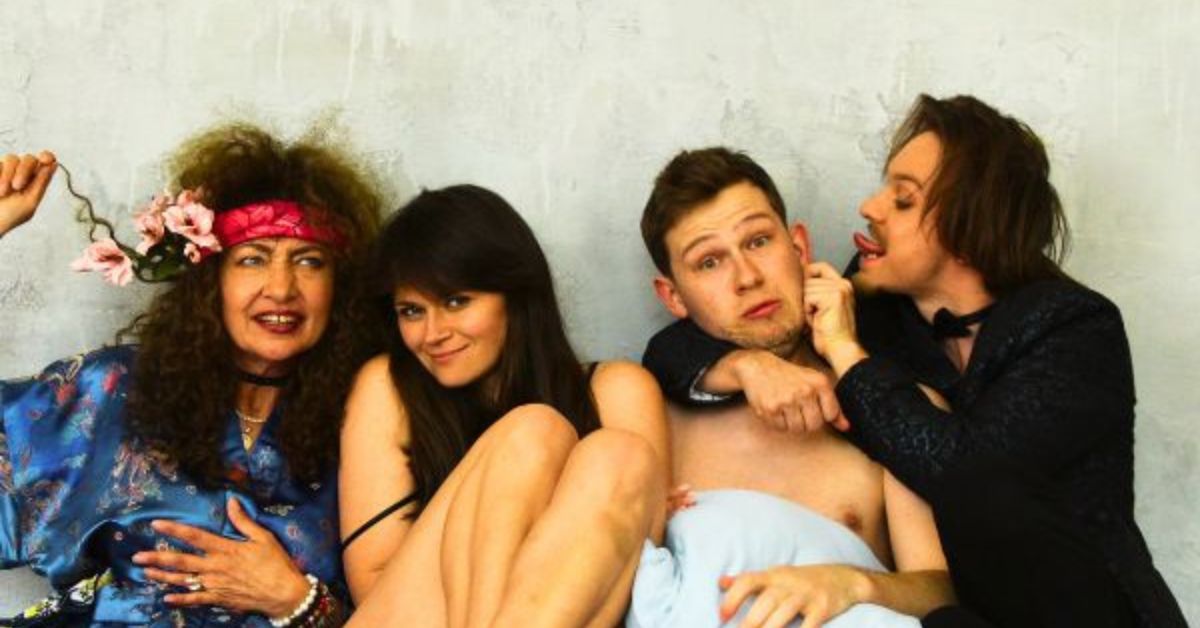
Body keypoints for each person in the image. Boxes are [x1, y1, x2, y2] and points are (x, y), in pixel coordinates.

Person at [642, 95, 1188, 627]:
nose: (869, 208)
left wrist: (845, 353)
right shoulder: (876, 304)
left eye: (903, 200)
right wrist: (747, 367)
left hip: (1081, 605)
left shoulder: (1073, 328)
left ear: (968, 228)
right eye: (710, 262)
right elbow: (678, 347)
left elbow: (971, 478)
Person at [0, 123, 384, 626]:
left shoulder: (373, 419)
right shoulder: (114, 389)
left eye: (309, 261)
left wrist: (297, 600)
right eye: (253, 259)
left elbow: (418, 608)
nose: (281, 288)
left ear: (340, 285)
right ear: (210, 280)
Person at [627, 147, 953, 628]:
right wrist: (746, 366)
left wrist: (851, 583)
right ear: (673, 296)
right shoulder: (649, 417)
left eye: (758, 241)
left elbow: (942, 592)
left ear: (799, 248)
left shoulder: (898, 409)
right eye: (709, 262)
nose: (747, 277)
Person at [338, 184, 670, 627]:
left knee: (620, 455)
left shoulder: (618, 390)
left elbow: (641, 573)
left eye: (456, 301)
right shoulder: (389, 385)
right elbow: (373, 583)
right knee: (535, 432)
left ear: (515, 295)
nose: (433, 333)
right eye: (412, 311)